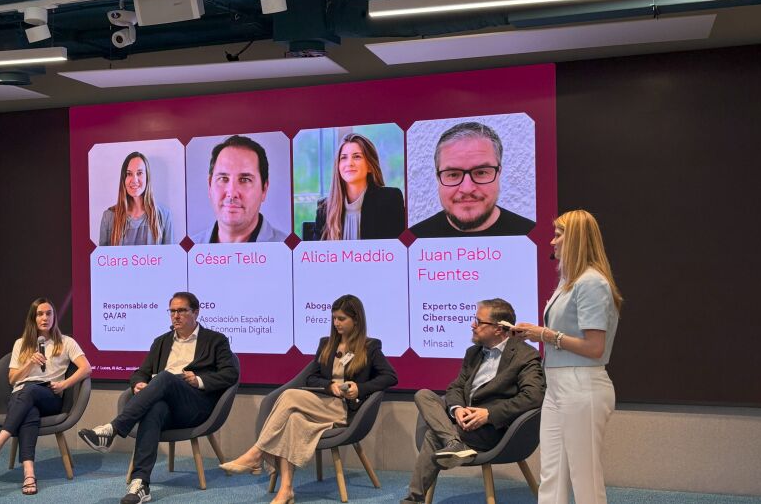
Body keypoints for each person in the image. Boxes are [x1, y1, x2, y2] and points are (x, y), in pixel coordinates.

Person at [219, 294, 397, 504]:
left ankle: (257, 452)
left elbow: (390, 377)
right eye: (334, 318)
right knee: (293, 419)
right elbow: (311, 377)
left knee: (289, 395)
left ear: (356, 320)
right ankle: (286, 490)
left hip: (344, 410)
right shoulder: (326, 344)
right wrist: (329, 385)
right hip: (322, 403)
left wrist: (360, 388)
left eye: (342, 319)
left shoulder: (370, 347)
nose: (336, 323)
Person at [77, 291, 239, 504]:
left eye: (182, 311)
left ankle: (112, 429)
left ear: (196, 312)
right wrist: (139, 384)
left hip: (196, 406)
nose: (176, 316)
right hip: (168, 407)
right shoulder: (161, 342)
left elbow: (230, 374)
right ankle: (140, 484)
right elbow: (140, 372)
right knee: (154, 409)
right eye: (172, 311)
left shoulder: (216, 340)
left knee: (165, 377)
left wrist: (199, 380)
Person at [511, 210, 623, 504]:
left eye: (558, 234)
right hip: (558, 386)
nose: (552, 241)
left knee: (585, 478)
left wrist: (545, 335)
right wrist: (539, 333)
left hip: (582, 385)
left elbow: (595, 347)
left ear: (575, 238)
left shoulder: (592, 283)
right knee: (551, 474)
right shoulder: (569, 282)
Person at [402, 298, 545, 504]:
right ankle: (454, 442)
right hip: (462, 420)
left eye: (478, 321)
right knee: (423, 394)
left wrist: (489, 414)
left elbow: (533, 396)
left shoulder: (525, 355)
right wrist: (457, 409)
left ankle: (413, 500)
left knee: (433, 436)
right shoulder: (474, 353)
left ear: (498, 328)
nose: (472, 325)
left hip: (493, 429)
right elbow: (456, 387)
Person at [0, 297, 92, 496]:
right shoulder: (21, 344)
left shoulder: (66, 342)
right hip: (22, 396)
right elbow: (12, 379)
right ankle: (29, 474)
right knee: (29, 412)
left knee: (30, 391)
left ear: (54, 317)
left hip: (49, 396)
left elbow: (86, 368)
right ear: (33, 318)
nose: (44, 318)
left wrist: (64, 384)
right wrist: (30, 363)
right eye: (40, 314)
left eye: (49, 313)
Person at [410, 122, 534, 238]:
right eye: (453, 174)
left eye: (481, 172)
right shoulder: (414, 239)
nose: (467, 189)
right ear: (438, 177)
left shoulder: (533, 236)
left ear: (498, 173)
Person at [308, 133, 405, 241]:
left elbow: (398, 248)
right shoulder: (325, 208)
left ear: (370, 166)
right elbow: (316, 251)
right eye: (343, 158)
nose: (349, 163)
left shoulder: (390, 199)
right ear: (338, 166)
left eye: (357, 156)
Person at [190, 135, 287, 243]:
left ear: (264, 189)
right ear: (210, 186)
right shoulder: (188, 248)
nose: (232, 193)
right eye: (223, 178)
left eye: (245, 180)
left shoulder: (288, 248)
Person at [99, 151, 173, 246]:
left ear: (147, 177)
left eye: (139, 173)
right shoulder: (108, 217)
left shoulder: (164, 217)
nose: (134, 180)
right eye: (129, 174)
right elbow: (102, 255)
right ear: (124, 179)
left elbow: (169, 255)